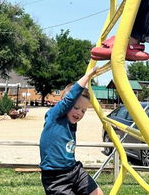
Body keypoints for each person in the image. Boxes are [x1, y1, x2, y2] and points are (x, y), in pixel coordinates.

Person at [39, 67, 103, 195]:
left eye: (83, 111)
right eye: (76, 107)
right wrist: (88, 75)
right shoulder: (54, 117)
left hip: (74, 170)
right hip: (55, 176)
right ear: (65, 104)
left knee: (97, 193)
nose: (79, 113)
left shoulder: (71, 123)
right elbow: (71, 97)